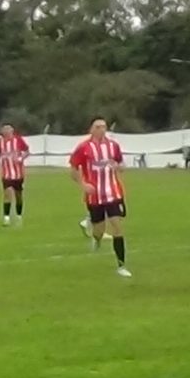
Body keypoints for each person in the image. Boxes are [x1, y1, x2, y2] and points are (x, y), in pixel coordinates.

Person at [69, 117, 131, 277]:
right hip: (94, 196)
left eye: (104, 126)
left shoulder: (113, 146)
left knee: (117, 226)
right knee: (99, 229)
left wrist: (119, 167)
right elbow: (73, 170)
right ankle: (96, 238)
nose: (101, 130)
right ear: (91, 129)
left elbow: (121, 165)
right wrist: (83, 185)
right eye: (98, 127)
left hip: (113, 193)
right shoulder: (84, 148)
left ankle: (121, 266)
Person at [0, 123, 30, 226]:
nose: (6, 132)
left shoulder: (18, 140)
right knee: (7, 194)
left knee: (18, 195)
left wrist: (21, 158)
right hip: (6, 174)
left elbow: (27, 151)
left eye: (8, 130)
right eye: (4, 131)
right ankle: (6, 218)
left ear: (12, 131)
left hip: (18, 174)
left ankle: (19, 216)